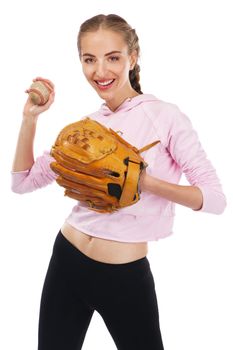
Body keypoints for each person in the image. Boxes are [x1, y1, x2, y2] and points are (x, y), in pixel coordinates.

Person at [11, 13, 226, 350]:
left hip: (123, 275)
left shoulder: (164, 116)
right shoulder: (87, 128)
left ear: (133, 58)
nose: (101, 72)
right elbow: (22, 183)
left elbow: (215, 199)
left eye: (113, 58)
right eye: (89, 60)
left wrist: (146, 182)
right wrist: (29, 119)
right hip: (66, 259)